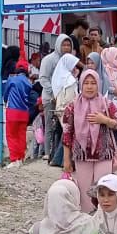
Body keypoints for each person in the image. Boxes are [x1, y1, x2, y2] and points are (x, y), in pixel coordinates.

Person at [62, 70, 117, 214]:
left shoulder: (106, 103)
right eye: (86, 83)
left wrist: (105, 120)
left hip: (104, 156)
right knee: (84, 193)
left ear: (99, 85)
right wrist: (66, 160)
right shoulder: (72, 107)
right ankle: (88, 224)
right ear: (81, 85)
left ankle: (104, 222)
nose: (90, 87)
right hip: (82, 156)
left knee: (103, 190)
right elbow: (66, 134)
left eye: (93, 83)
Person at [39, 34, 74, 165]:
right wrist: (53, 92)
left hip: (64, 100)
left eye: (68, 45)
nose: (66, 47)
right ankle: (48, 153)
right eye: (64, 45)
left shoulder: (68, 60)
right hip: (50, 99)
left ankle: (59, 155)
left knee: (63, 127)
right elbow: (43, 78)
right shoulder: (49, 60)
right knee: (49, 126)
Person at [50, 52, 82, 168]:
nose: (75, 67)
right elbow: (70, 99)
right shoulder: (69, 80)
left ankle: (57, 159)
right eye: (73, 64)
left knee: (66, 134)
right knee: (69, 135)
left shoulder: (60, 76)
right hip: (67, 111)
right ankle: (65, 161)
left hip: (61, 110)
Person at [4, 60, 35, 167]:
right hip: (24, 113)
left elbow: (6, 94)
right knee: (21, 136)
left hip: (12, 111)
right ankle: (21, 158)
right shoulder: (29, 83)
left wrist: (5, 101)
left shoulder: (12, 80)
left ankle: (14, 160)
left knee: (11, 135)